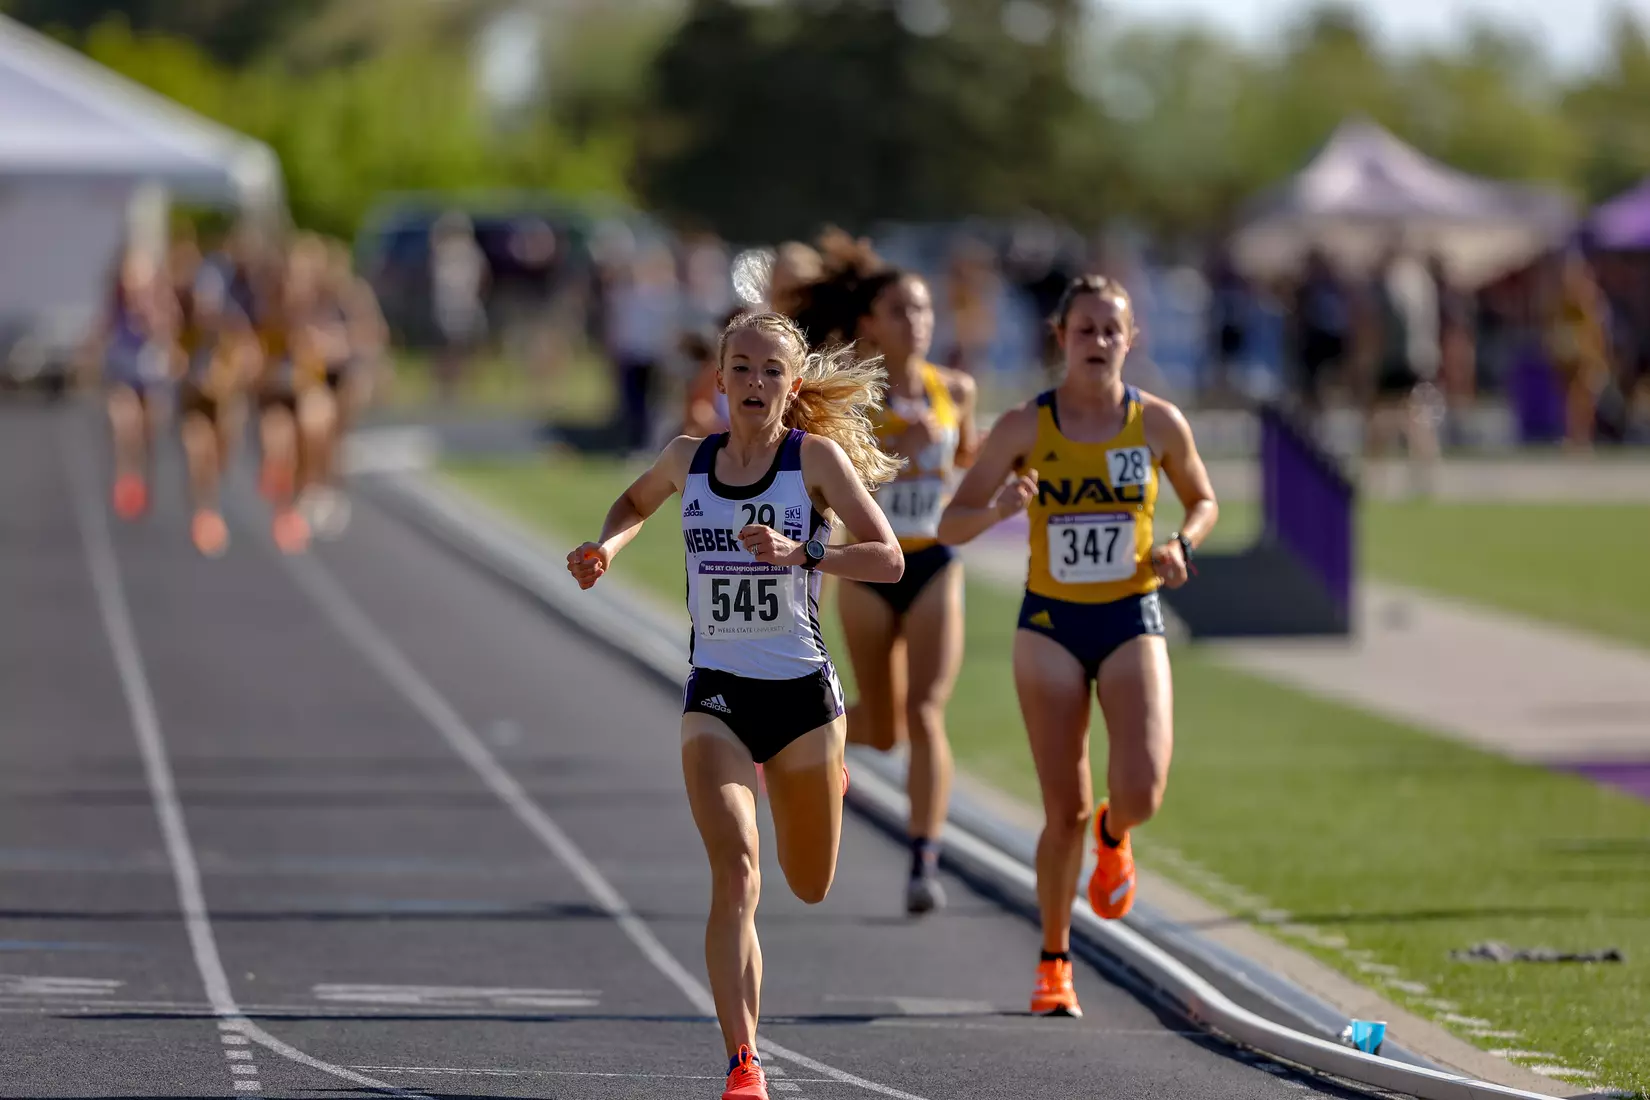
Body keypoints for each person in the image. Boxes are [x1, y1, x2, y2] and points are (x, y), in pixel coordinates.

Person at [567, 311, 903, 1100]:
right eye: (742, 368)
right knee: (737, 871)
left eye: (771, 371)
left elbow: (887, 558)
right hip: (716, 694)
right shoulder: (688, 459)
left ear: (793, 384)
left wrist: (804, 551)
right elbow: (632, 502)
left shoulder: (813, 461)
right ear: (718, 379)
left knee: (809, 882)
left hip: (803, 700)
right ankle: (743, 1059)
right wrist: (606, 549)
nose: (755, 383)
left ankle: (826, 778)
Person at [936, 275, 1218, 1018]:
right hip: (1051, 625)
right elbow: (951, 521)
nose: (1098, 342)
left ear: (1132, 339)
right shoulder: (1025, 427)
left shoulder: (1158, 423)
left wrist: (1183, 543)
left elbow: (1204, 499)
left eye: (1111, 330)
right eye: (1085, 329)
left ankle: (1114, 833)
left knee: (1142, 790)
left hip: (1130, 613)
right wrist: (998, 507)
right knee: (1061, 810)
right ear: (1060, 337)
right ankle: (1055, 960)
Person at [799, 263, 977, 915]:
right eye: (901, 310)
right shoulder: (850, 397)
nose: (916, 322)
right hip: (870, 570)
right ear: (871, 323)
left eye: (923, 309)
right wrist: (901, 442)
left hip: (933, 563)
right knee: (879, 729)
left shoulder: (955, 389)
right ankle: (800, 743)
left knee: (926, 713)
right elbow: (832, 474)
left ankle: (924, 859)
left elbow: (966, 459)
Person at [174, 264, 260, 556]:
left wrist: (228, 378)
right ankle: (205, 512)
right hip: (194, 403)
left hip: (225, 404)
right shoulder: (184, 326)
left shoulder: (233, 326)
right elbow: (171, 360)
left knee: (219, 456)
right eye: (201, 300)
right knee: (197, 448)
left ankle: (212, 492)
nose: (205, 308)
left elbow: (252, 359)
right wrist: (193, 379)